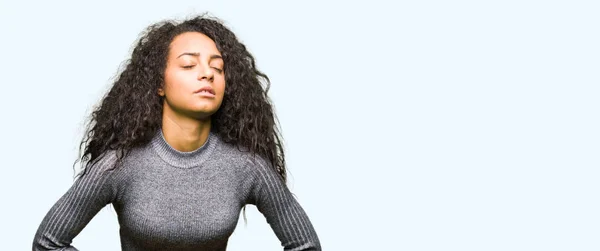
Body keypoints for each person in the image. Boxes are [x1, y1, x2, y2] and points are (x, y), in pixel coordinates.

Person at [32, 13, 321, 251]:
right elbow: (48, 243)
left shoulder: (247, 167)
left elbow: (306, 245)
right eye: (188, 64)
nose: (206, 73)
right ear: (159, 84)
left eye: (217, 68)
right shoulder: (118, 164)